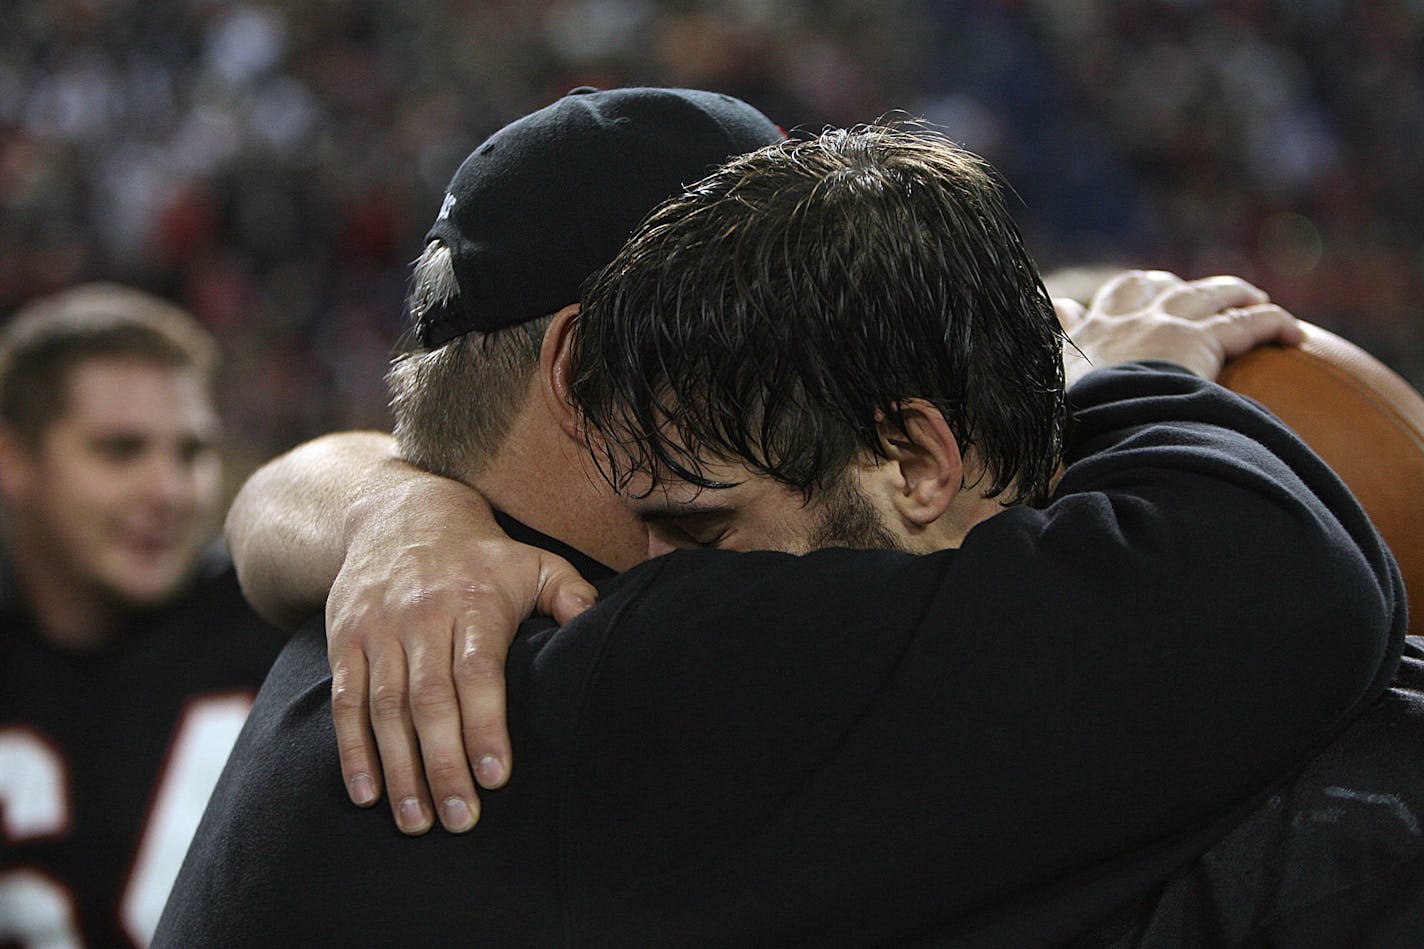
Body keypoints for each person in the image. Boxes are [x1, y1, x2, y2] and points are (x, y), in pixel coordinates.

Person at [155, 116, 1401, 945]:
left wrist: (382, 496)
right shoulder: (623, 662)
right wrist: (1108, 384)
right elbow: (1271, 587)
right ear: (595, 366)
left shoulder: (408, 626)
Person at [0, 284, 286, 948]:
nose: (167, 489)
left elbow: (357, 480)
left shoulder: (268, 619)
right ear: (13, 458)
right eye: (120, 450)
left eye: (190, 453)